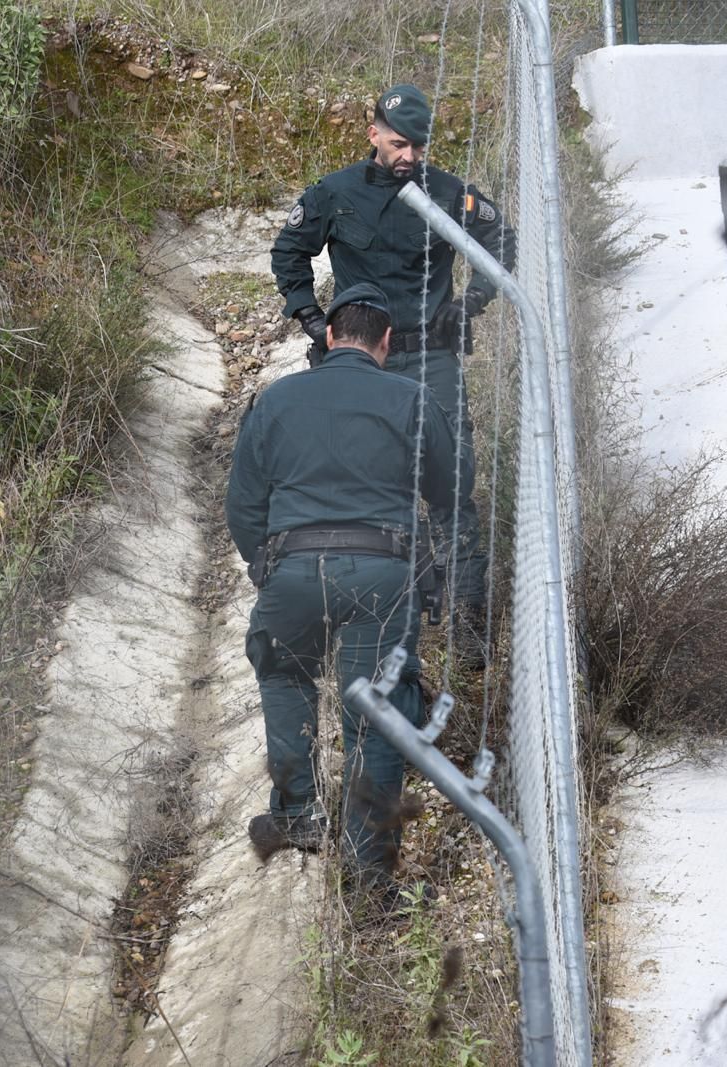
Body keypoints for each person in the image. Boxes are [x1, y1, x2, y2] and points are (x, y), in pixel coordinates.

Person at [225, 283, 473, 904]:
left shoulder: (277, 398)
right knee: (375, 716)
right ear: (386, 343)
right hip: (383, 573)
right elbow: (452, 489)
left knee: (284, 676)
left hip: (293, 570)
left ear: (329, 336)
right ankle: (370, 884)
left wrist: (271, 566)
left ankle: (297, 814)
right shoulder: (412, 397)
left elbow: (242, 506)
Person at [269, 83, 514, 668]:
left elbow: (503, 239)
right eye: (399, 143)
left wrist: (472, 299)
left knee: (452, 484)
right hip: (360, 359)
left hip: (431, 355)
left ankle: (469, 632)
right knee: (358, 483)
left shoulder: (449, 193)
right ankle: (372, 620)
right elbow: (289, 250)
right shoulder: (335, 193)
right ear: (373, 132)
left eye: (419, 146)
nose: (408, 156)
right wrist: (309, 316)